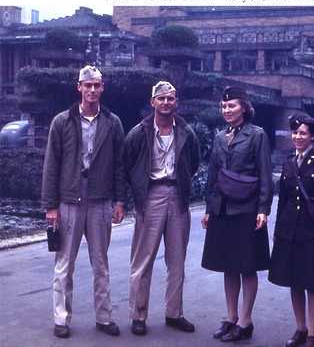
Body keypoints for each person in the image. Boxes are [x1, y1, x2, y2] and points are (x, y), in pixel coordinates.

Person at [42, 65, 126, 338]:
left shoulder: (113, 122)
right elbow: (51, 165)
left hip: (101, 200)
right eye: (87, 85)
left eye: (96, 85)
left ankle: (104, 317)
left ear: (102, 88)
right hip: (69, 200)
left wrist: (120, 200)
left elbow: (119, 165)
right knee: (64, 263)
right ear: (78, 87)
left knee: (101, 263)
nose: (92, 90)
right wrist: (51, 206)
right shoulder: (62, 122)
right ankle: (61, 319)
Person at [124, 81, 200, 336]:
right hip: (151, 195)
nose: (166, 103)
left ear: (175, 102)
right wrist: (134, 196)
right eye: (161, 99)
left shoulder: (187, 132)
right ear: (152, 102)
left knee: (177, 260)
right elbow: (128, 164)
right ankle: (138, 314)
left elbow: (194, 161)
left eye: (170, 99)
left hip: (178, 195)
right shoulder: (138, 132)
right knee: (143, 260)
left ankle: (174, 313)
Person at [201, 86, 273, 342]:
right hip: (222, 209)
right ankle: (230, 317)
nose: (227, 110)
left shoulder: (257, 135)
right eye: (224, 106)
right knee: (227, 266)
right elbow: (213, 175)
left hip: (247, 209)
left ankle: (245, 320)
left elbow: (265, 173)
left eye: (232, 105)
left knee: (247, 266)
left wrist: (263, 209)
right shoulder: (220, 137)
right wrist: (210, 208)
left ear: (244, 107)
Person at [268, 114, 314, 347]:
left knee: (313, 282)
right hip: (290, 231)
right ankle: (299, 328)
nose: (298, 137)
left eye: (303, 133)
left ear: (313, 136)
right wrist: (279, 229)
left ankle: (312, 333)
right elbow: (283, 200)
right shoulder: (289, 162)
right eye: (295, 133)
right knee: (294, 281)